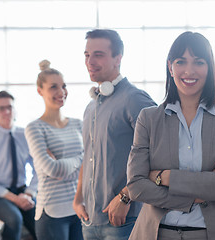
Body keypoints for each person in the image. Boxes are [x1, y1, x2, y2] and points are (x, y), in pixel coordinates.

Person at [127, 31, 215, 240]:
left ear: (209, 67)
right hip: (157, 233)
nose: (189, 70)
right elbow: (136, 187)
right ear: (170, 67)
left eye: (199, 62)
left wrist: (163, 177)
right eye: (181, 61)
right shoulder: (148, 118)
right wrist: (198, 195)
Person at [72, 29, 156, 240]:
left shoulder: (135, 99)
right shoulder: (91, 107)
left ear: (118, 58)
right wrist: (78, 198)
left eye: (98, 54)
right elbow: (87, 157)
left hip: (125, 221)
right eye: (86, 55)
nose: (90, 61)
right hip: (89, 220)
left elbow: (160, 155)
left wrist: (125, 198)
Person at [25, 60, 83, 240]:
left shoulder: (78, 124)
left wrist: (64, 165)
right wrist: (81, 159)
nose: (61, 92)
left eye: (63, 86)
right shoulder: (34, 128)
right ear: (39, 90)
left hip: (80, 207)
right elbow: (53, 170)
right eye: (53, 87)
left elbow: (92, 165)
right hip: (51, 213)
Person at [0, 90, 38, 240]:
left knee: (41, 221)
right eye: (1, 108)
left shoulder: (26, 135)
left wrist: (29, 193)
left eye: (9, 107)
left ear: (14, 109)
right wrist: (16, 199)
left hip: (23, 192)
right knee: (14, 219)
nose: (6, 111)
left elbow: (39, 168)